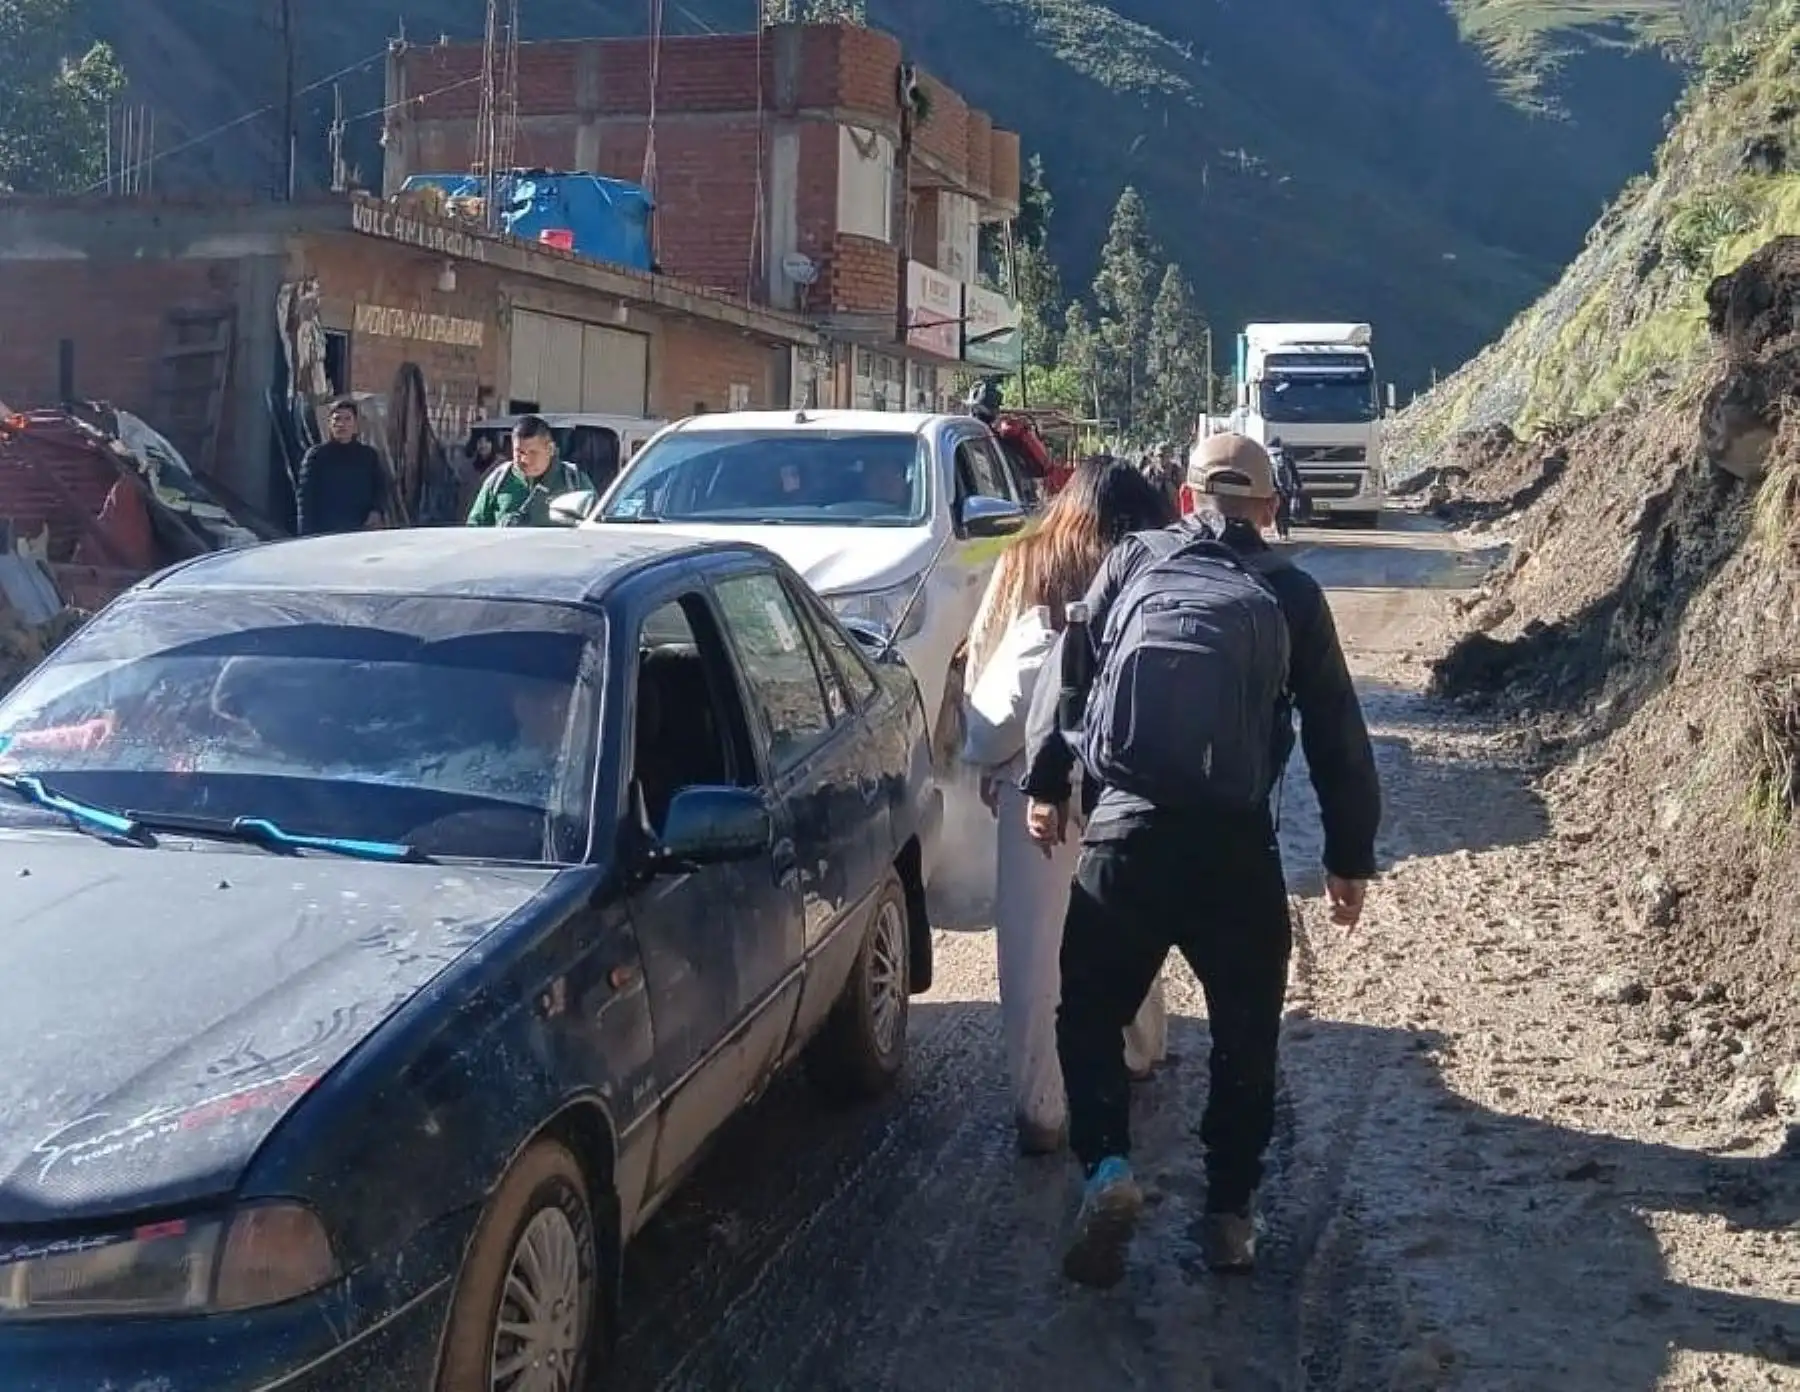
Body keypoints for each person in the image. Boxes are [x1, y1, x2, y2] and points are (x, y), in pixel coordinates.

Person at [1021, 431, 1380, 1286]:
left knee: (1087, 1013)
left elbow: (1070, 674)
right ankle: (1228, 1216)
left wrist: (1047, 780)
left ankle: (1108, 1166)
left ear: (1186, 498)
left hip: (1127, 840)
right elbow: (1335, 730)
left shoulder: (1136, 561)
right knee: (1245, 1038)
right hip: (1234, 852)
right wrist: (1348, 855)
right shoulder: (1291, 594)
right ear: (1269, 507)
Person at [961, 460, 1175, 1158]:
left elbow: (989, 682)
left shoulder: (1026, 561)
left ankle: (1043, 1110)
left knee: (1033, 950)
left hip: (1037, 780)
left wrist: (993, 764)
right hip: (1135, 774)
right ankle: (1140, 1050)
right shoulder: (1158, 560)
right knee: (1130, 918)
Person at [466, 415, 589, 527]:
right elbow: (475, 528)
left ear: (550, 449)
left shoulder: (573, 481)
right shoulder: (498, 480)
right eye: (519, 452)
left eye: (533, 453)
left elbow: (596, 529)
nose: (525, 460)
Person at [297, 399, 387, 536]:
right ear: (330, 424)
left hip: (361, 529)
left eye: (347, 419)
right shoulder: (316, 456)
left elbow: (380, 488)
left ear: (356, 425)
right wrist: (305, 535)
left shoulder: (368, 456)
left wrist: (376, 511)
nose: (341, 424)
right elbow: (305, 499)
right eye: (337, 419)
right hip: (326, 532)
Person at [1267, 436, 1304, 539]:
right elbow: (1294, 472)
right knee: (1286, 510)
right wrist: (1299, 485)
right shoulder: (1286, 457)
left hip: (1275, 489)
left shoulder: (1268, 458)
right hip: (1288, 488)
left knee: (1277, 511)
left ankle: (1279, 532)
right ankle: (1285, 532)